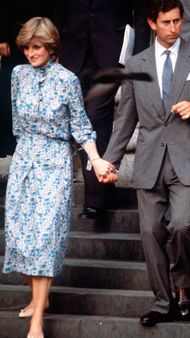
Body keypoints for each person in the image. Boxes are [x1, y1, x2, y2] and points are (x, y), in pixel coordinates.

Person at [2, 17, 115, 338]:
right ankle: (42, 297)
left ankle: (37, 321)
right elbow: (16, 122)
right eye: (26, 47)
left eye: (36, 47)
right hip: (25, 160)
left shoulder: (67, 80)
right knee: (20, 238)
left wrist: (96, 160)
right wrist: (23, 155)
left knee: (45, 239)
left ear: (51, 48)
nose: (29, 53)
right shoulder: (18, 75)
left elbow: (80, 126)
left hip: (54, 164)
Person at [102, 0, 190, 327]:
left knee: (182, 225)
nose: (174, 28)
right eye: (167, 22)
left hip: (188, 158)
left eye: (178, 21)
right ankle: (163, 301)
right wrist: (109, 161)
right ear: (151, 23)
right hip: (149, 161)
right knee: (149, 233)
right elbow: (125, 119)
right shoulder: (136, 63)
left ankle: (184, 286)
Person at [53, 0, 151, 219]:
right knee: (71, 119)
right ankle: (96, 191)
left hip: (111, 49)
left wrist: (140, 54)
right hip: (73, 48)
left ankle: (96, 200)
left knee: (97, 115)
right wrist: (57, 40)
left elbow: (141, 9)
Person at [0, 0, 54, 158]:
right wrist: (2, 37)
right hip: (15, 36)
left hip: (45, 32)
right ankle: (15, 146)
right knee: (9, 97)